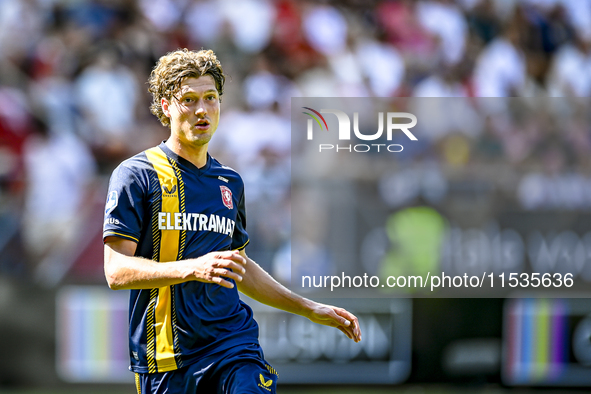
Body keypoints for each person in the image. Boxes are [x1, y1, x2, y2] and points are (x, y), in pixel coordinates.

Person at [103, 48, 361, 394]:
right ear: (166, 106)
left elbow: (238, 265)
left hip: (232, 344)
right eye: (189, 100)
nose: (201, 110)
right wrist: (192, 268)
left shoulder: (230, 182)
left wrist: (309, 308)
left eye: (210, 98)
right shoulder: (136, 175)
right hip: (165, 358)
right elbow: (115, 271)